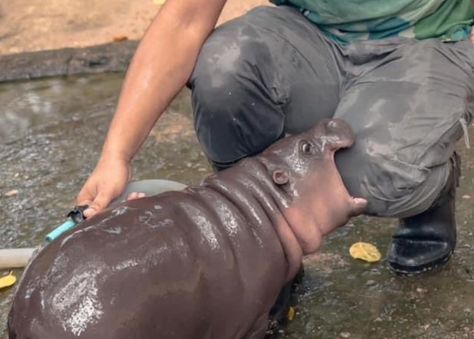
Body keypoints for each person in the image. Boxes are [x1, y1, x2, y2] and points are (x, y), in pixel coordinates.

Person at [77, 0, 474, 280]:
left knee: (365, 175)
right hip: (313, 37)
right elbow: (185, 19)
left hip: (426, 44)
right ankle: (264, 249)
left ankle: (430, 189)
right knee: (224, 73)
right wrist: (117, 154)